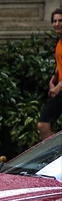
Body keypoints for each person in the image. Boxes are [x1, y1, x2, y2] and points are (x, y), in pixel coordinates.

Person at [38, 7, 62, 141]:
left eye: (60, 21)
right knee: (43, 125)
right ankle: (55, 158)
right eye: (55, 21)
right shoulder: (59, 42)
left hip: (60, 89)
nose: (57, 24)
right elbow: (60, 64)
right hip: (59, 91)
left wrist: (59, 86)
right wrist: (53, 80)